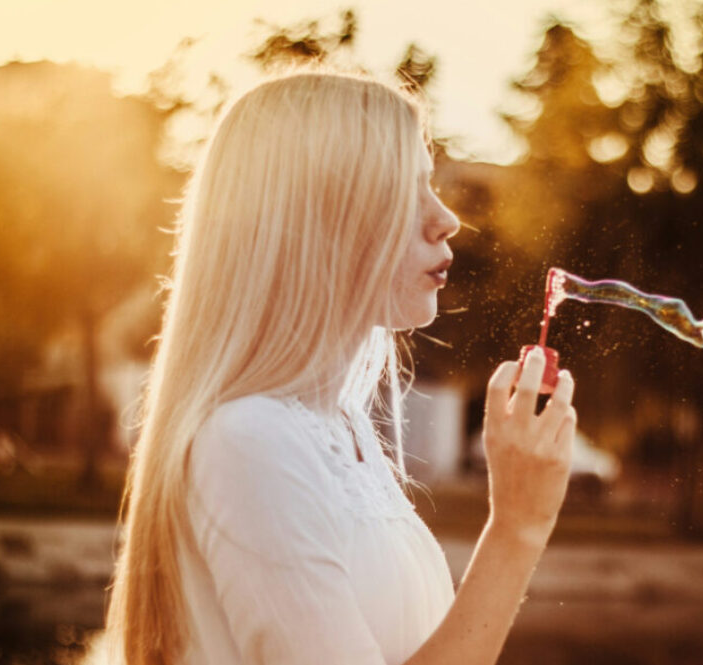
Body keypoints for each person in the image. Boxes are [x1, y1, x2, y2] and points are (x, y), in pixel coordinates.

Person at [98, 68, 578, 665]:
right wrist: (515, 530)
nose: (446, 219)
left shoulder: (341, 429)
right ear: (320, 219)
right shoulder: (249, 439)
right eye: (406, 190)